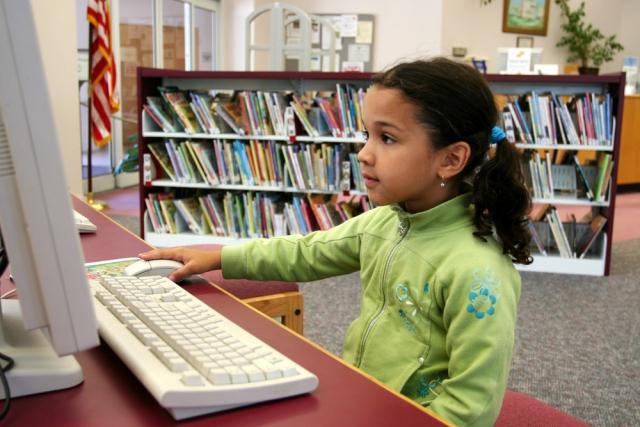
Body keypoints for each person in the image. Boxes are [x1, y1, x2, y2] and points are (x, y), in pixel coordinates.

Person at [140, 57, 532, 426]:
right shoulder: (382, 224)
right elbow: (306, 253)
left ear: (450, 159)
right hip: (360, 397)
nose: (363, 154)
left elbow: (473, 404)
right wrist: (218, 257)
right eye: (367, 135)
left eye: (388, 139)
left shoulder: (478, 270)